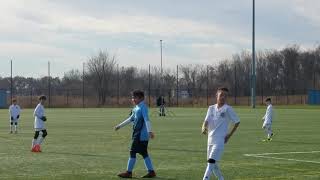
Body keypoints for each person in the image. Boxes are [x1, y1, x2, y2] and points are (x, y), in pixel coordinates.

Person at [115, 90, 156, 178]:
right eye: (132, 97)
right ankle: (151, 172)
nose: (133, 99)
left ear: (141, 98)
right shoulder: (136, 108)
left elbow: (146, 119)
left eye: (135, 97)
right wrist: (119, 126)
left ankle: (128, 172)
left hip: (140, 135)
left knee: (132, 151)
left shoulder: (143, 107)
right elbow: (131, 119)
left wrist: (150, 131)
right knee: (144, 152)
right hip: (138, 134)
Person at [201, 87, 240, 180]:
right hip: (210, 139)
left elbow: (237, 122)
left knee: (211, 162)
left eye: (225, 96)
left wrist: (229, 136)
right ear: (217, 95)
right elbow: (206, 121)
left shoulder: (228, 109)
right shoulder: (211, 108)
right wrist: (203, 128)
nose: (223, 97)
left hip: (220, 140)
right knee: (212, 164)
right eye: (221, 95)